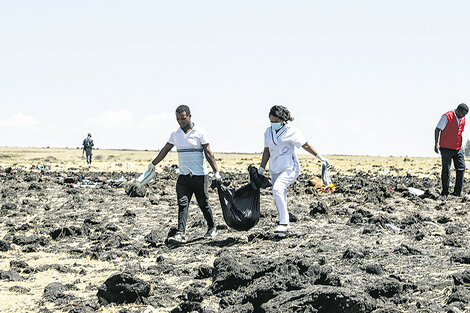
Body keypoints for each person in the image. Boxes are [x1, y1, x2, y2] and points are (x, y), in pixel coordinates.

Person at [148, 105, 221, 243]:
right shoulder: (175, 135)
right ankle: (180, 233)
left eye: (183, 118)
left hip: (200, 176)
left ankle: (212, 227)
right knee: (183, 204)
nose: (180, 121)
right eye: (178, 119)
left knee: (203, 203)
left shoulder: (200, 132)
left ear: (189, 116)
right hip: (184, 176)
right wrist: (153, 164)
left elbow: (209, 153)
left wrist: (216, 172)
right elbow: (165, 150)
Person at [258, 105, 329, 235]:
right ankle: (283, 230)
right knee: (280, 195)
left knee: (277, 189)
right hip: (275, 169)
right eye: (271, 121)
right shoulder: (268, 132)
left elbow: (305, 145)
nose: (273, 124)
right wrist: (261, 168)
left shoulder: (292, 131)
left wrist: (320, 157)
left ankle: (284, 223)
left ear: (283, 120)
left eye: (275, 121)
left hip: (290, 168)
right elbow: (267, 150)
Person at [434, 103, 469, 201]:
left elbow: (459, 133)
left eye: (465, 115)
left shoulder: (463, 119)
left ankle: (457, 193)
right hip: (445, 148)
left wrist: (461, 146)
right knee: (446, 170)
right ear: (458, 110)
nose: (463, 116)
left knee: (461, 168)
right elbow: (437, 129)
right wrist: (436, 143)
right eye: (462, 113)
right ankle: (444, 193)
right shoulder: (447, 116)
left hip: (457, 148)